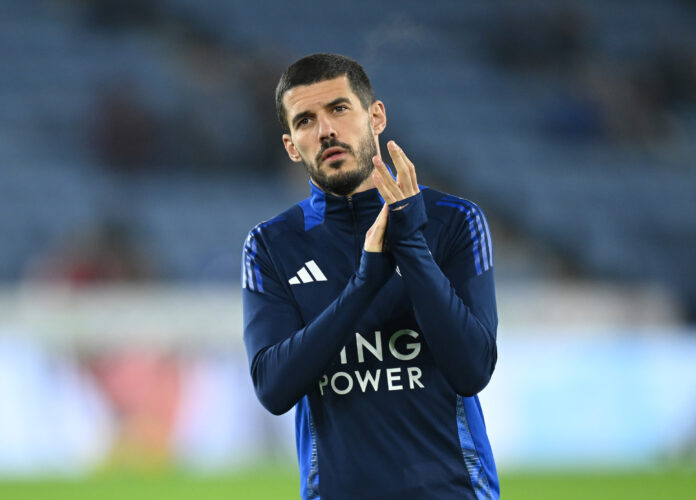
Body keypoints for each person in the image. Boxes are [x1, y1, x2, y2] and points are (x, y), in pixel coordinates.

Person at [242, 53, 498, 500]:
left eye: (339, 109)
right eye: (305, 120)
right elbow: (274, 388)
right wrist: (366, 282)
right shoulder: (271, 245)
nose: (325, 131)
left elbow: (472, 369)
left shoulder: (454, 221)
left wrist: (412, 245)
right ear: (290, 145)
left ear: (375, 116)